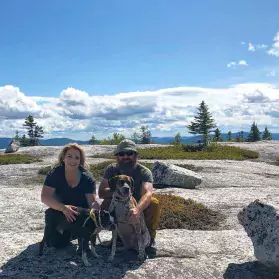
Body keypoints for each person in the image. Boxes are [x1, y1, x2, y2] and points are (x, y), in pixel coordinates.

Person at [98, 139, 161, 254]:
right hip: (118, 204)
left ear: (135, 155)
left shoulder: (144, 172)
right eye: (122, 154)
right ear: (117, 156)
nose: (125, 156)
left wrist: (137, 209)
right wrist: (119, 193)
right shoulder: (111, 169)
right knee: (106, 203)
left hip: (137, 204)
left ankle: (149, 239)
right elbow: (101, 192)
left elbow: (148, 192)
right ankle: (117, 237)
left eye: (130, 153)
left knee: (153, 203)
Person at [41, 143, 98, 249]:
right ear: (63, 158)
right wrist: (63, 208)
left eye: (77, 157)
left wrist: (97, 217)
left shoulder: (87, 178)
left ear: (80, 160)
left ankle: (78, 232)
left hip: (81, 215)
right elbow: (45, 197)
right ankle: (70, 233)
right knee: (57, 244)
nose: (73, 160)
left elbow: (92, 201)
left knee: (83, 231)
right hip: (59, 212)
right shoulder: (55, 174)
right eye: (69, 156)